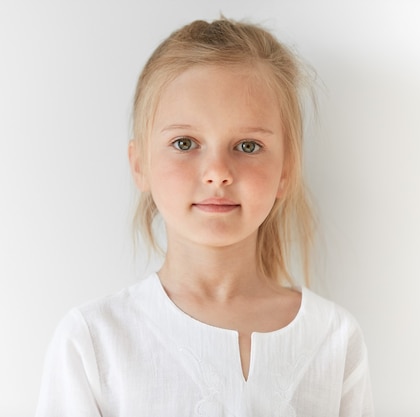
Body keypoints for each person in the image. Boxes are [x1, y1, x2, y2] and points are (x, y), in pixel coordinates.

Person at [35, 17, 374, 417]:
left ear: (286, 170)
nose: (217, 171)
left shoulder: (334, 339)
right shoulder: (94, 341)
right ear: (139, 163)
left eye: (248, 145)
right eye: (185, 143)